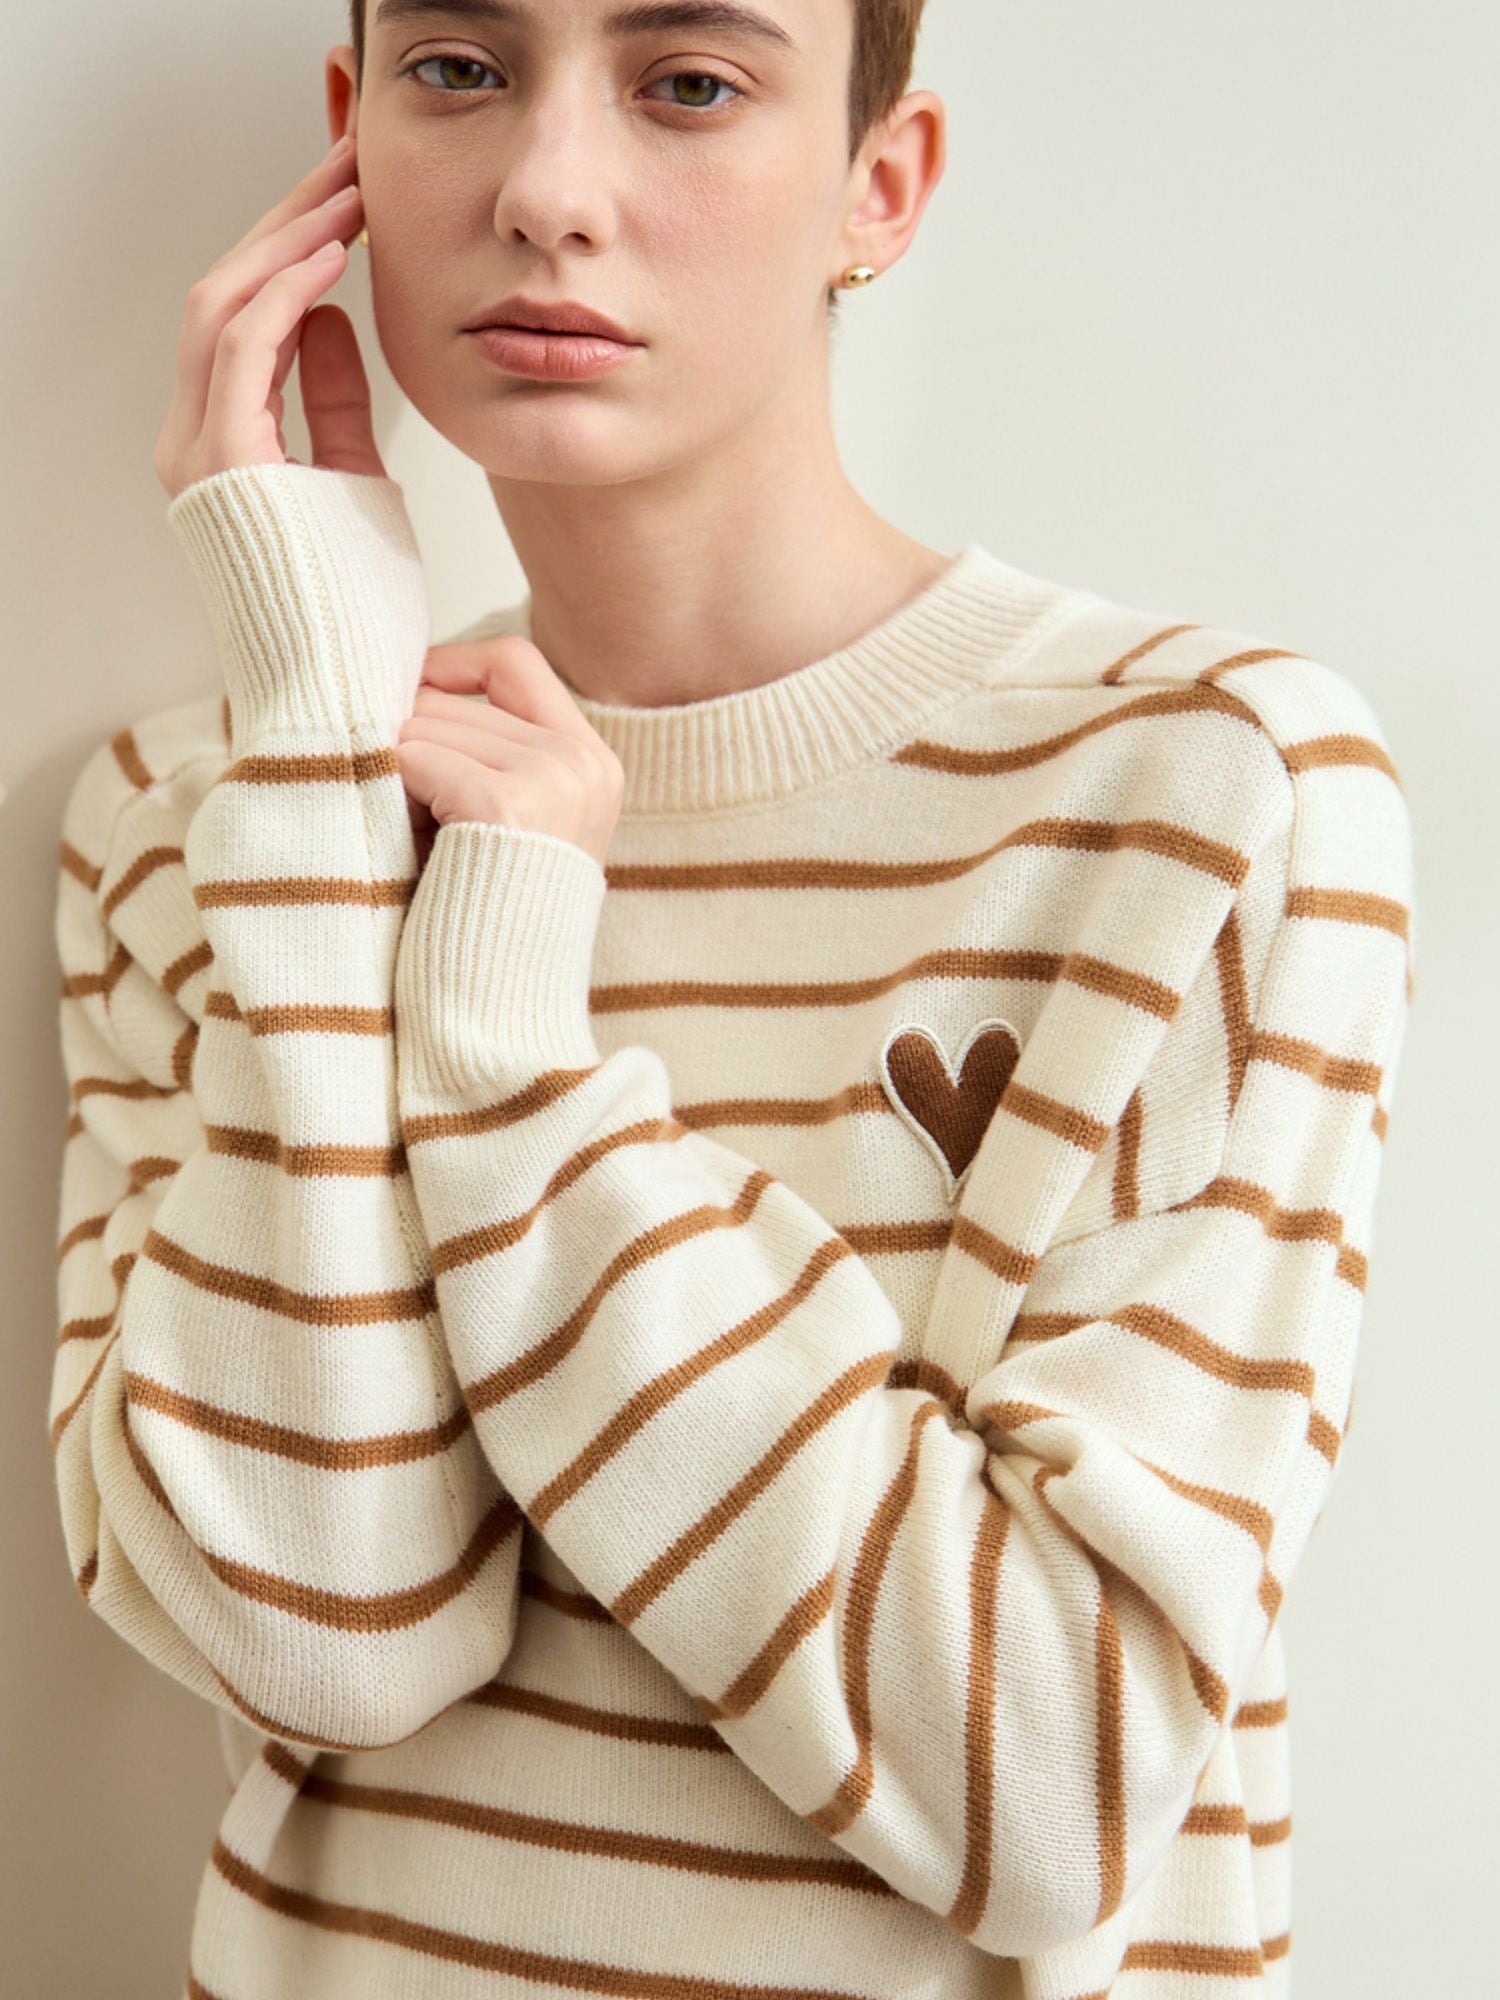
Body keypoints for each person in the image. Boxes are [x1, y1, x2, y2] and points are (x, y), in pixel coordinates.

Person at [49, 3, 1415, 1996]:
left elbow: (1048, 1791)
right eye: (459, 71)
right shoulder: (197, 819)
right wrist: (318, 771)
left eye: (689, 82)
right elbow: (323, 1636)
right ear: (351, 142)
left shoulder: (1206, 790)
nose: (548, 193)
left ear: (882, 182)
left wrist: (510, 1065)